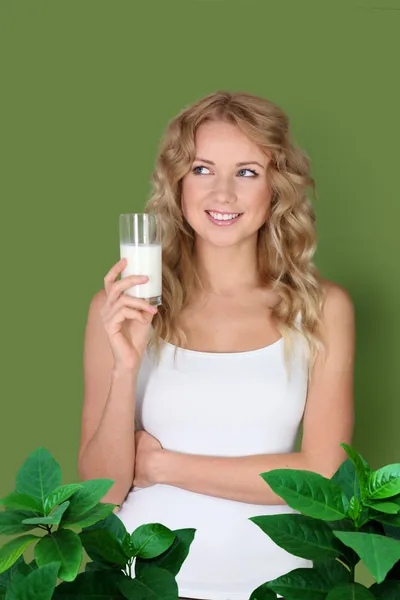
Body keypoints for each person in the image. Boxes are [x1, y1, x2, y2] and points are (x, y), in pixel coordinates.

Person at [78, 90, 355, 600]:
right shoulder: (119, 308)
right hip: (147, 582)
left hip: (282, 581)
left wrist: (164, 466)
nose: (222, 194)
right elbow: (104, 491)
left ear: (276, 189)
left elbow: (322, 478)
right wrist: (126, 365)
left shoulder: (321, 308)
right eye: (203, 170)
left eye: (247, 172)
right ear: (179, 183)